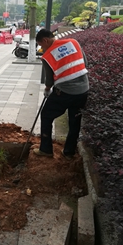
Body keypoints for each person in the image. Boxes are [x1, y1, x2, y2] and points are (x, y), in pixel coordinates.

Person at [34, 29, 89, 160]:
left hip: (65, 92)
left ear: (46, 40)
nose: (42, 48)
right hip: (83, 90)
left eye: (41, 45)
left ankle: (46, 149)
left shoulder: (47, 56)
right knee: (75, 121)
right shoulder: (73, 42)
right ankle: (68, 152)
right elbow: (85, 63)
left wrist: (47, 90)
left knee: (46, 115)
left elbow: (49, 80)